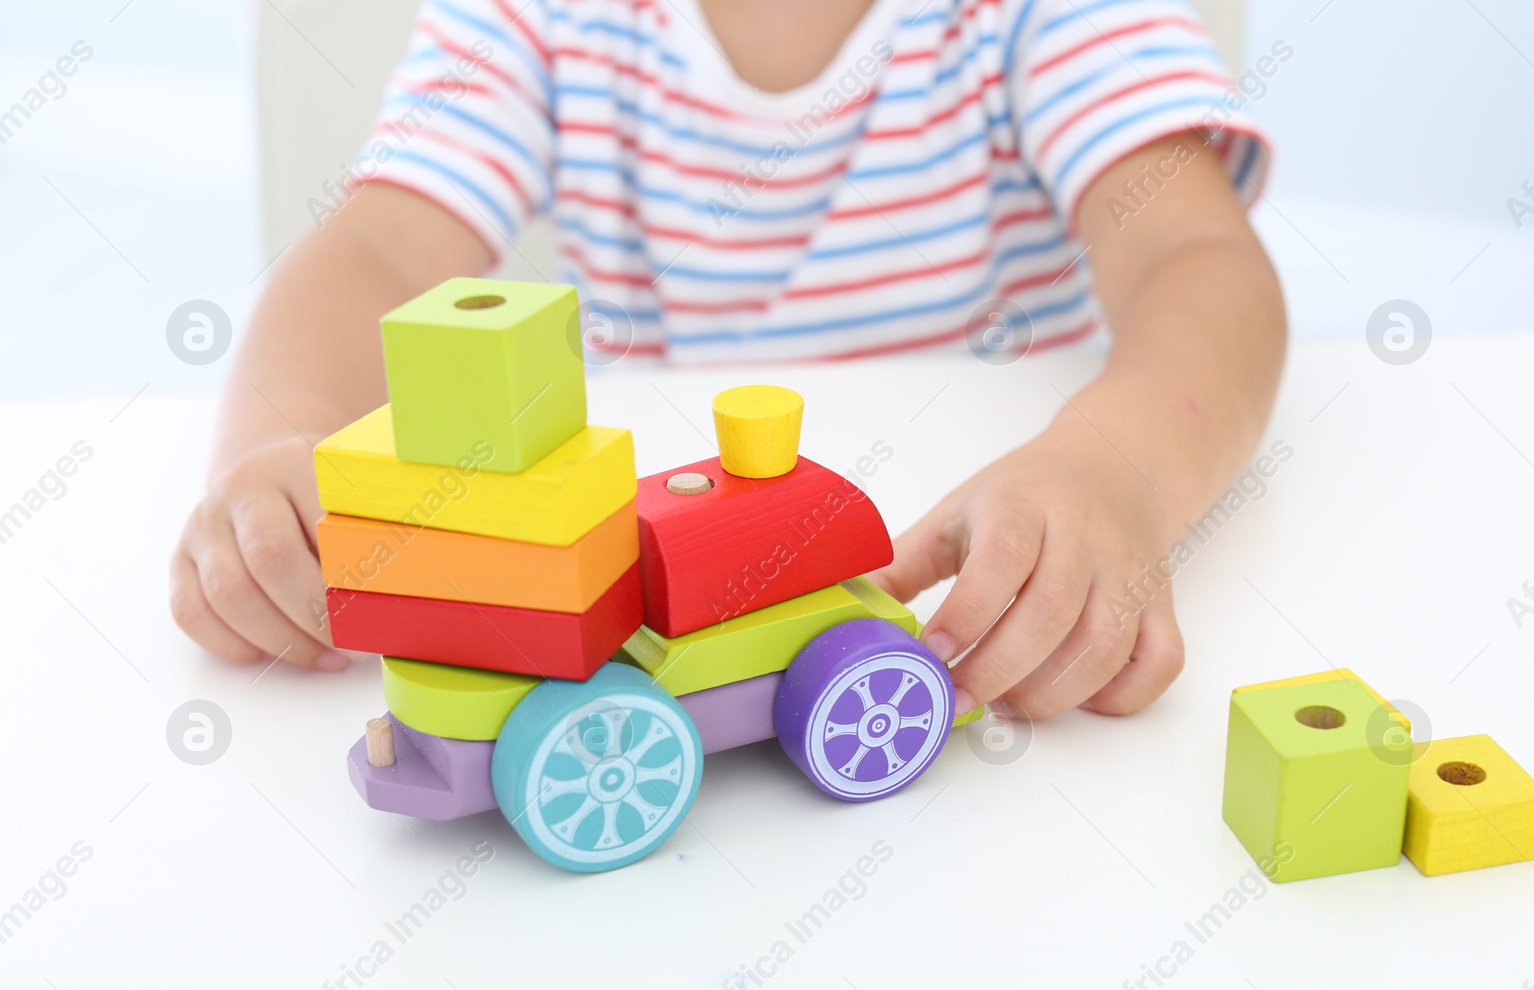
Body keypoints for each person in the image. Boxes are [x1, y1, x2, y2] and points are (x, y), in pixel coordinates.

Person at [171, 0, 1285, 721]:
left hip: (956, 545)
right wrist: (281, 438)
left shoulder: (1041, 16)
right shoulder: (539, 19)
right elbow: (379, 244)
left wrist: (1117, 465)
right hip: (671, 554)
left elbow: (1195, 256)